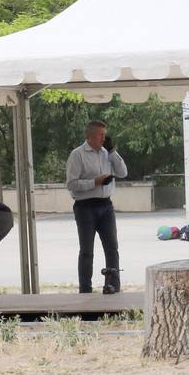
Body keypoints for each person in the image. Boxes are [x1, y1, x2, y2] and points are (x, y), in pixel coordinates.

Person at [66, 120, 128, 294]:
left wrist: (113, 152)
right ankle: (85, 288)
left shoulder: (106, 153)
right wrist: (95, 182)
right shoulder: (77, 155)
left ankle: (113, 286)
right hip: (85, 206)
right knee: (87, 250)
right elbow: (71, 184)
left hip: (105, 205)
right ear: (90, 136)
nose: (104, 138)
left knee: (112, 247)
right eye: (101, 134)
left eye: (105, 134)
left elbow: (123, 172)